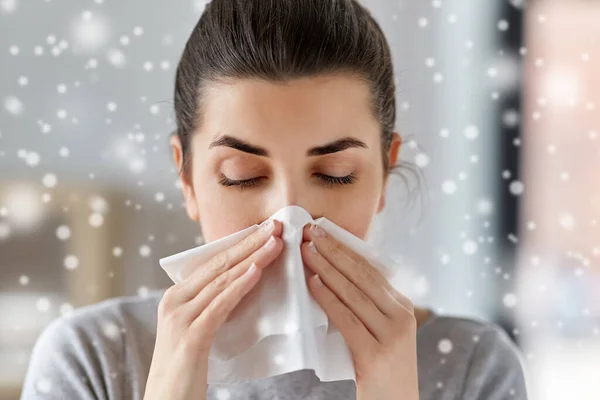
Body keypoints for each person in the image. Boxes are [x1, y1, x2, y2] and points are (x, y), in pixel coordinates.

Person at [20, 0, 529, 399]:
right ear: (187, 178)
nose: (288, 219)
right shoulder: (94, 358)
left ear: (385, 172)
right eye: (242, 176)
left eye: (335, 174)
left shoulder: (470, 364)